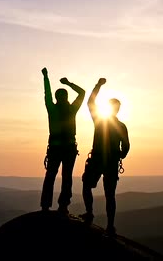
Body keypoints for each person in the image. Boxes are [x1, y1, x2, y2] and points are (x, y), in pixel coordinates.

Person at [80, 78, 130, 235]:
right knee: (110, 194)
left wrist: (98, 86)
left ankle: (89, 213)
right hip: (111, 161)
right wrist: (119, 155)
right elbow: (126, 146)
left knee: (87, 184)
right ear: (118, 109)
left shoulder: (99, 121)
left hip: (97, 158)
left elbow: (90, 103)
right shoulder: (121, 126)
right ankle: (110, 226)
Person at [40, 67, 86, 215]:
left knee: (50, 176)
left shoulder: (52, 109)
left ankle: (46, 206)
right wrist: (68, 83)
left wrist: (46, 77)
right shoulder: (72, 109)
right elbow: (82, 93)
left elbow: (47, 93)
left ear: (56, 97)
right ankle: (63, 206)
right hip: (69, 148)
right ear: (66, 97)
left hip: (54, 148)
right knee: (67, 177)